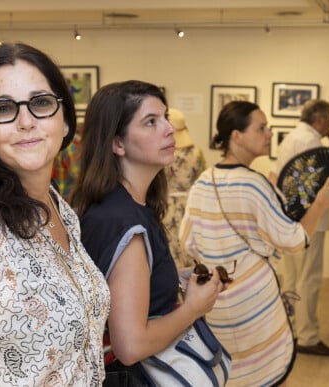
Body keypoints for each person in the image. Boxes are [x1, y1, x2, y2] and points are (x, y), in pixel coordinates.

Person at [0, 43, 110, 386]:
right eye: (3, 108)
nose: (26, 122)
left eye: (41, 102)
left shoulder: (60, 210)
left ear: (65, 117)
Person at [70, 80, 224, 384]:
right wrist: (194, 307)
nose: (168, 129)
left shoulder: (125, 204)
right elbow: (131, 346)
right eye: (151, 122)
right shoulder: (124, 220)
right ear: (117, 143)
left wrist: (169, 276)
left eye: (165, 117)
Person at [179, 100, 329, 386]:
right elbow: (293, 239)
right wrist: (321, 203)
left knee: (230, 373)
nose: (269, 133)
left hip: (216, 299)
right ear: (236, 135)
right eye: (261, 127)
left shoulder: (204, 180)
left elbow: (187, 240)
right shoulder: (254, 183)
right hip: (255, 301)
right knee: (262, 376)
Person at [273, 98, 329, 357]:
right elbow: (321, 181)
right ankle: (308, 335)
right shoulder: (312, 142)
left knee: (291, 276)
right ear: (320, 119)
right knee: (309, 278)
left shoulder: (292, 138)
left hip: (288, 216)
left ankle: (290, 328)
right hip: (309, 218)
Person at [163, 108, 206, 268]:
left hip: (167, 207)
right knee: (189, 248)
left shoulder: (164, 153)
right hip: (190, 206)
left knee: (170, 250)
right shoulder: (197, 153)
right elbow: (201, 178)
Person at [52, 118, 83, 200]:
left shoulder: (69, 146)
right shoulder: (70, 145)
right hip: (62, 197)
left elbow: (77, 174)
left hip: (65, 197)